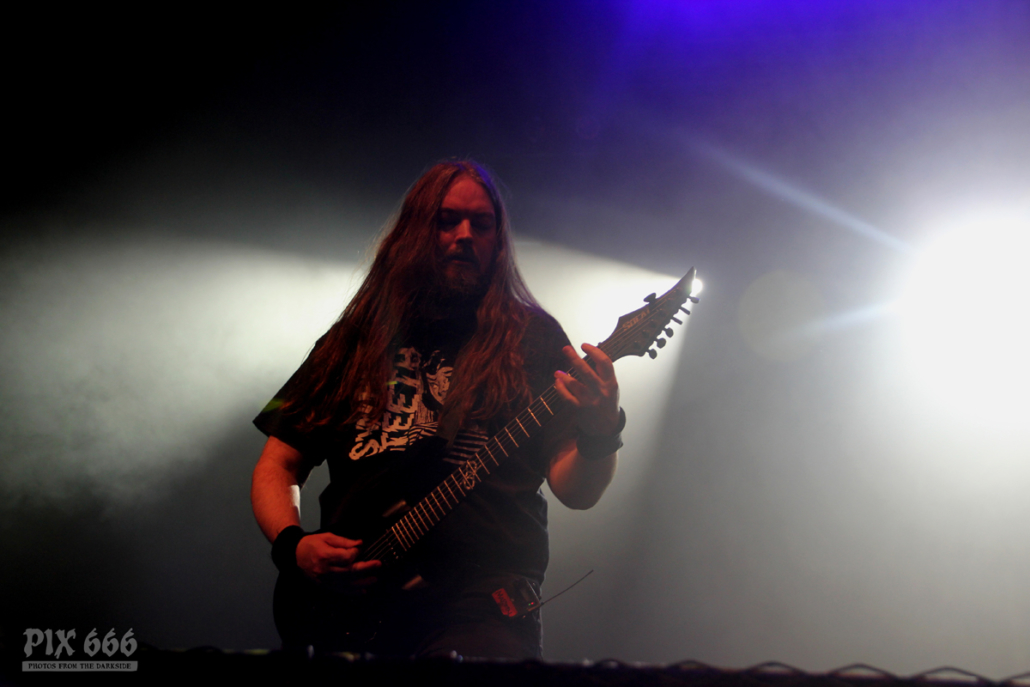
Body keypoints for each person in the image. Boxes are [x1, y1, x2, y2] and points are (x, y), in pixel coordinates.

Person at [250, 160, 624, 659]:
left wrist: (601, 429)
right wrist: (293, 545)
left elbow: (577, 492)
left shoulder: (532, 338)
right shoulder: (352, 340)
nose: (465, 235)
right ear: (415, 231)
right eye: (447, 220)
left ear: (498, 240)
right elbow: (278, 463)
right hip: (354, 602)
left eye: (481, 223)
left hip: (482, 601)